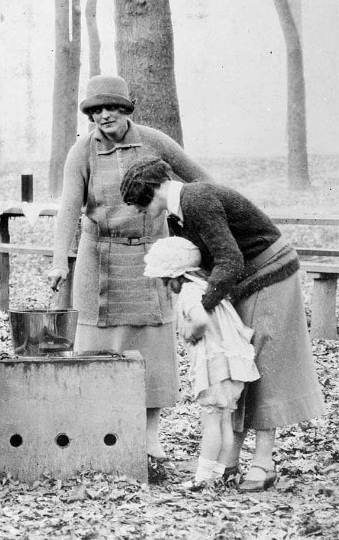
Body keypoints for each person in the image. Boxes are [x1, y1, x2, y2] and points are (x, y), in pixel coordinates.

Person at [121, 157, 325, 491]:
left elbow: (230, 260)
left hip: (270, 270)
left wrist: (202, 308)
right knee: (234, 361)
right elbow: (203, 261)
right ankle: (229, 460)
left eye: (138, 204)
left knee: (261, 361)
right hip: (240, 279)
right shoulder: (177, 215)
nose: (139, 212)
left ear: (150, 191)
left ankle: (263, 461)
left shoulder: (196, 200)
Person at [46, 74, 214, 461]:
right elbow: (69, 207)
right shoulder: (82, 150)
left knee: (149, 347)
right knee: (97, 346)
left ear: (125, 110)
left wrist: (194, 227)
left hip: (150, 260)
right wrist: (59, 262)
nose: (104, 116)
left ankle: (150, 437)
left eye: (111, 108)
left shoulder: (154, 141)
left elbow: (202, 182)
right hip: (98, 258)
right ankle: (100, 436)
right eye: (96, 110)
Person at [143, 236, 260, 491]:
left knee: (211, 424)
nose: (166, 287)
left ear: (177, 275)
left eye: (166, 280)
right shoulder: (207, 285)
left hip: (214, 366)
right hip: (235, 365)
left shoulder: (188, 293)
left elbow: (201, 321)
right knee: (224, 422)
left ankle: (203, 478)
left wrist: (191, 333)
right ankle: (219, 473)